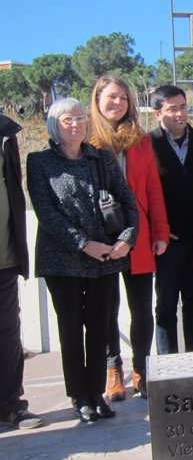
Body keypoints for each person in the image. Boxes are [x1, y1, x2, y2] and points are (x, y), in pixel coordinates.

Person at [27, 98, 138, 423]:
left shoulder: (102, 159)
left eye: (79, 118)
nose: (75, 124)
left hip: (105, 257)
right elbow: (46, 212)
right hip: (63, 260)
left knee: (101, 327)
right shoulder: (40, 161)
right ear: (54, 125)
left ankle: (97, 392)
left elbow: (127, 201)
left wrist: (125, 240)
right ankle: (80, 395)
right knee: (71, 327)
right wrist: (82, 244)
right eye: (67, 119)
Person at [90, 75, 169, 400]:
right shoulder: (86, 139)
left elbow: (153, 189)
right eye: (111, 97)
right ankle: (113, 371)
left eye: (123, 98)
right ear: (97, 100)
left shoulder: (141, 140)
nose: (118, 103)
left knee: (141, 308)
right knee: (107, 309)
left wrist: (160, 232)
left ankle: (141, 370)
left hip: (138, 236)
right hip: (101, 239)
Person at [149, 85, 193, 355]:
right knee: (165, 305)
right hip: (166, 242)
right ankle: (168, 365)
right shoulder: (148, 144)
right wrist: (158, 229)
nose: (180, 113)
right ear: (157, 113)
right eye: (172, 108)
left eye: (183, 107)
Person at [0, 113, 43, 431]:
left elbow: (13, 188)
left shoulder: (5, 132)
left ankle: (11, 405)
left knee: (7, 335)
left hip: (4, 255)